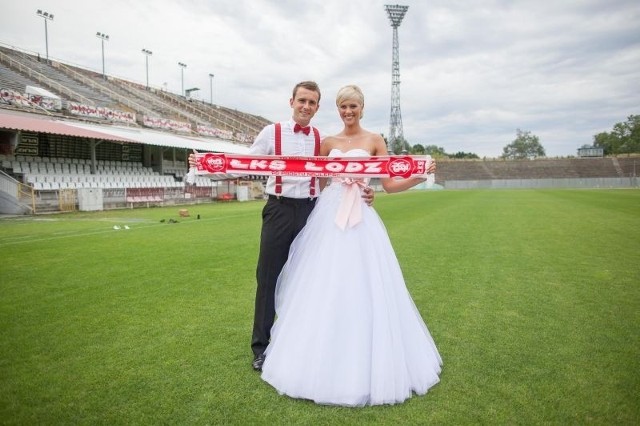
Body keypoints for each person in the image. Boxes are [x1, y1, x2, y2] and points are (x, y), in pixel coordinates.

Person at [260, 84, 442, 407]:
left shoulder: (374, 141)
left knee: (363, 285)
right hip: (328, 215)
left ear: (362, 108)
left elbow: (388, 183)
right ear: (337, 109)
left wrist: (418, 176)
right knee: (322, 284)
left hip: (361, 216)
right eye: (343, 107)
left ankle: (363, 361)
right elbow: (312, 177)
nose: (348, 112)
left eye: (353, 107)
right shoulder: (327, 142)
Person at [191, 81, 373, 372]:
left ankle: (301, 345)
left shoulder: (322, 139)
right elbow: (246, 164)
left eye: (312, 102)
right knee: (268, 278)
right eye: (302, 100)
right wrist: (209, 165)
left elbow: (349, 174)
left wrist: (367, 192)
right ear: (291, 102)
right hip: (278, 209)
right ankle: (261, 348)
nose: (306, 106)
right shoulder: (271, 132)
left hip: (312, 212)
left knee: (308, 280)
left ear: (317, 107)